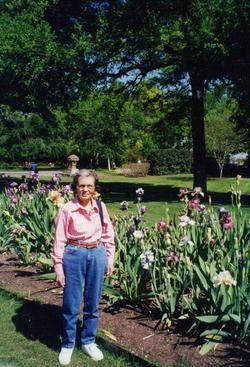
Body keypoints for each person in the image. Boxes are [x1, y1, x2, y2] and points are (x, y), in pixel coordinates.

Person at [51, 169, 115, 365]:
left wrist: (109, 258)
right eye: (81, 185)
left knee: (93, 303)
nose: (85, 189)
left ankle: (88, 341)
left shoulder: (101, 207)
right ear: (75, 187)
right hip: (74, 254)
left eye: (89, 185)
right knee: (71, 303)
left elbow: (108, 236)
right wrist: (59, 268)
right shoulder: (67, 209)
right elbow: (59, 240)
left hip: (97, 254)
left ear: (95, 188)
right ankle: (68, 344)